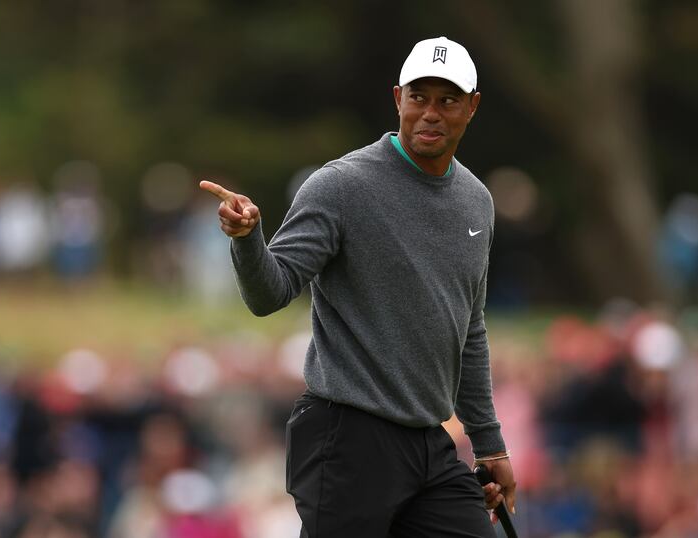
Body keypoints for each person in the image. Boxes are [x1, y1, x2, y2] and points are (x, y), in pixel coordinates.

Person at [201, 36, 516, 538]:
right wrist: (246, 239)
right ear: (398, 99)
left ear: (472, 107)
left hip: (428, 443)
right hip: (346, 435)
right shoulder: (341, 186)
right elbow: (270, 293)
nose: (430, 113)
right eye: (419, 97)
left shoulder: (477, 202)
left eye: (447, 100)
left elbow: (468, 330)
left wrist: (489, 444)